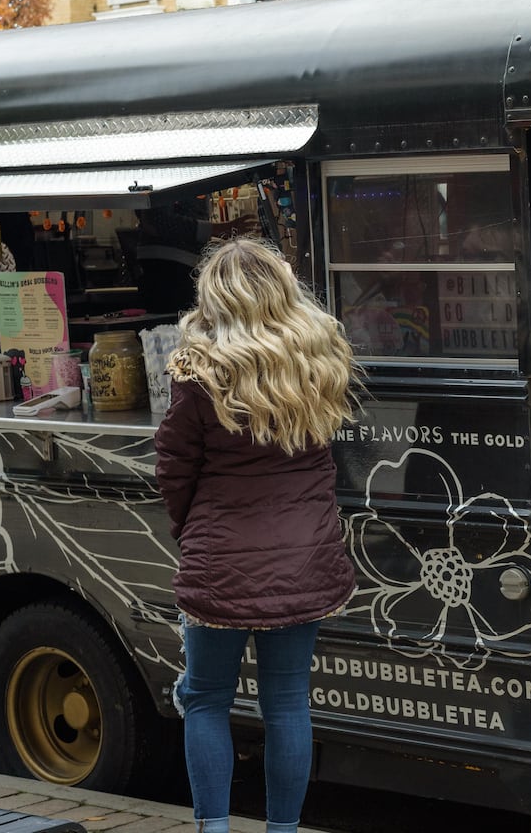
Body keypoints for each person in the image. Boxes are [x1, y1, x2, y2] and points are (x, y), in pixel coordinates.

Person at [154, 238, 358, 833]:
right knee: (289, 702)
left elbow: (174, 467)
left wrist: (191, 531)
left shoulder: (196, 369)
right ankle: (283, 830)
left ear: (215, 294)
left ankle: (213, 828)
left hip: (220, 559)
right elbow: (322, 461)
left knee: (206, 698)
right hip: (304, 554)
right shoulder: (318, 356)